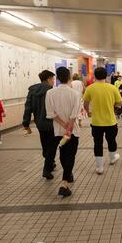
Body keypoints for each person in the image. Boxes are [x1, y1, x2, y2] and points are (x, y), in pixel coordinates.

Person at [45, 67, 81, 197]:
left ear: (58, 78)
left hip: (58, 130)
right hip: (73, 131)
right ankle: (64, 183)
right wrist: (69, 128)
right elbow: (74, 114)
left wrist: (63, 125)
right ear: (69, 77)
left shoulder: (50, 93)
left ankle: (68, 174)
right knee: (70, 155)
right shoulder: (74, 94)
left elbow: (50, 114)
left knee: (62, 153)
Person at [83, 67, 122, 175]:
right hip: (110, 121)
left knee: (97, 143)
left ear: (95, 76)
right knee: (111, 141)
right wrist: (113, 107)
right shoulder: (112, 88)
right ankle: (112, 158)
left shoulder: (90, 88)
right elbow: (120, 103)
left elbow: (85, 103)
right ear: (106, 76)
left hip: (96, 122)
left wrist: (88, 112)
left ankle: (100, 167)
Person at [22, 70, 57, 179]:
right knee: (52, 146)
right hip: (51, 123)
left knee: (45, 143)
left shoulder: (32, 90)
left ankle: (49, 161)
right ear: (48, 79)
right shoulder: (51, 91)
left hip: (40, 123)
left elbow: (28, 107)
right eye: (53, 79)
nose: (54, 81)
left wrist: (26, 123)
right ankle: (47, 169)